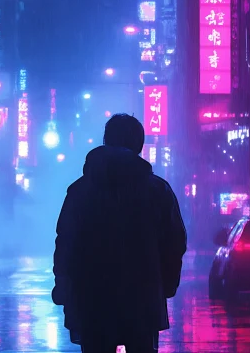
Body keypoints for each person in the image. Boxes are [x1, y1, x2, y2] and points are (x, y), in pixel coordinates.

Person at [52, 114, 187, 353]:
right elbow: (174, 242)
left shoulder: (80, 191)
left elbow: (66, 242)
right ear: (139, 144)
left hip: (91, 298)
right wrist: (166, 283)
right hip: (142, 296)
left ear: (106, 141)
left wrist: (63, 284)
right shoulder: (157, 190)